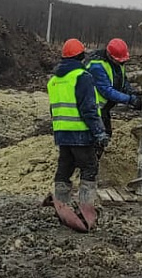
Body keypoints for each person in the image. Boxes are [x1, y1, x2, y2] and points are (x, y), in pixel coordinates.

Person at [46, 38, 110, 232]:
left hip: (62, 133)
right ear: (81, 56)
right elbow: (89, 108)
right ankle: (86, 208)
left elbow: (53, 109)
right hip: (80, 133)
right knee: (89, 167)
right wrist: (99, 132)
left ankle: (62, 205)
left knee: (64, 168)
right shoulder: (82, 76)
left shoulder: (54, 80)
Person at [87, 38, 142, 134]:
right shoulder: (96, 66)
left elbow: (123, 81)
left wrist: (132, 92)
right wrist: (129, 99)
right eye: (119, 61)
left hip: (104, 108)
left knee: (107, 133)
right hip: (93, 108)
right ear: (110, 55)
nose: (121, 63)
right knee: (100, 135)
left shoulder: (118, 63)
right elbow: (106, 91)